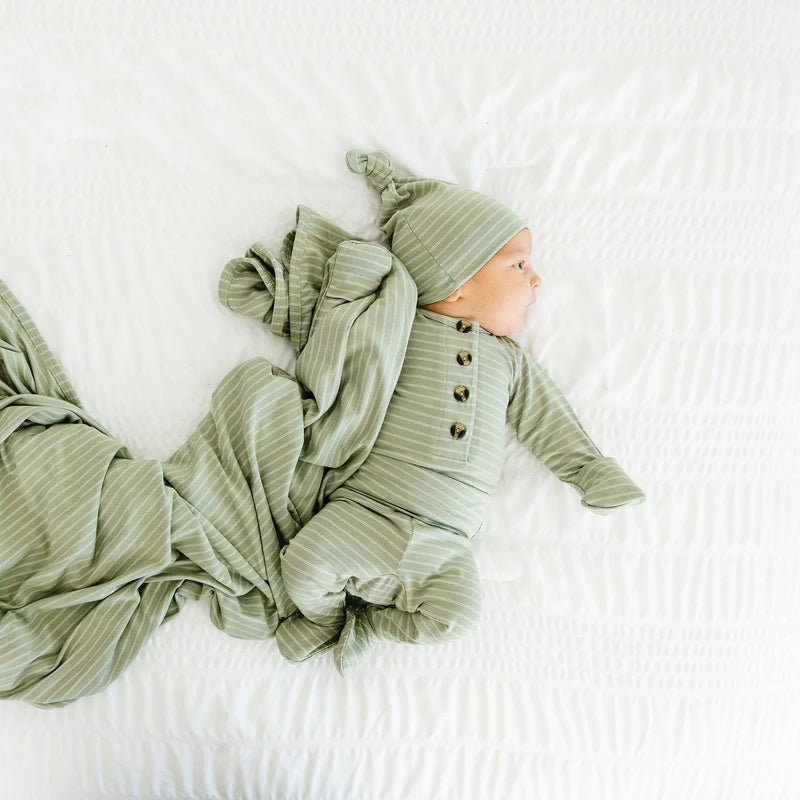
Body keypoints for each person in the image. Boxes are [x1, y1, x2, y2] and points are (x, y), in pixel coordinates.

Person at [270, 149, 646, 673]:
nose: (536, 281)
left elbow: (546, 419)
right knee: (303, 565)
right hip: (367, 506)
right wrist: (281, 304)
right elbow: (345, 348)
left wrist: (588, 471)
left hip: (445, 541)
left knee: (458, 616)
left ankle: (371, 623)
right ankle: (328, 619)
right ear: (457, 279)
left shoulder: (509, 361)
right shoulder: (397, 323)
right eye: (519, 265)